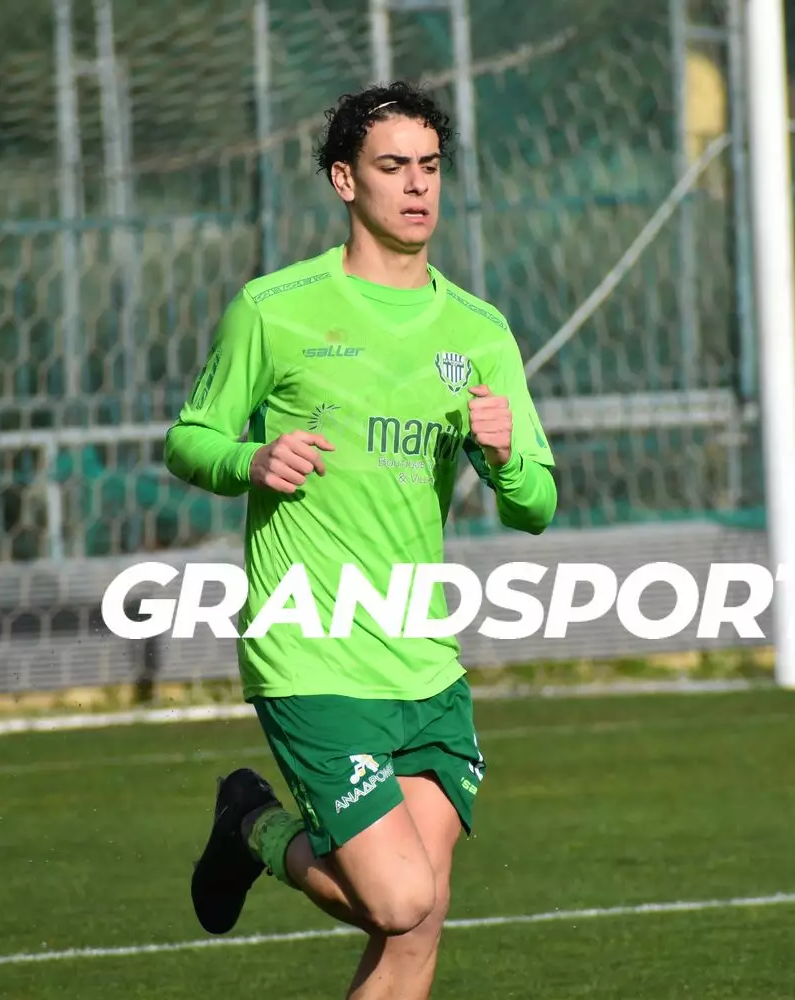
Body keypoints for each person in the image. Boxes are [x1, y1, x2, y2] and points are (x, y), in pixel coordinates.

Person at [163, 79, 558, 999]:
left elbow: (536, 504)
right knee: (399, 898)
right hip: (313, 646)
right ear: (345, 180)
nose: (417, 185)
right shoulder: (276, 308)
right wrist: (251, 460)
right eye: (393, 166)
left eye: (430, 166)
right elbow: (189, 438)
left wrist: (505, 457)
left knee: (418, 928)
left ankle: (254, 832)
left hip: (422, 657)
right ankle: (252, 827)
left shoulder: (479, 331)